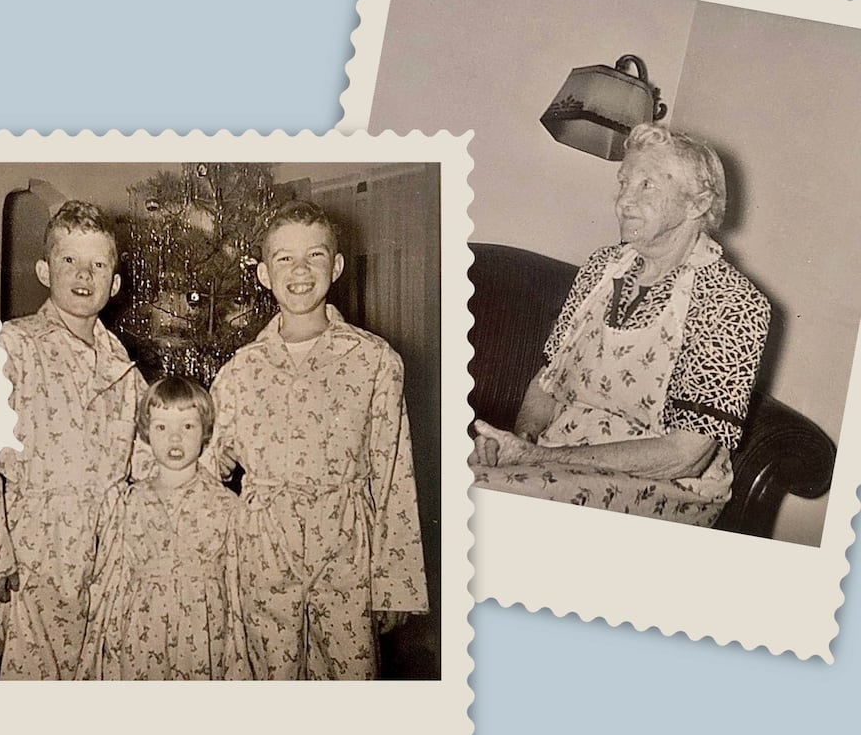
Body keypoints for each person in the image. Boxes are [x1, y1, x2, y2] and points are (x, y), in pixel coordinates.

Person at [471, 123, 770, 526]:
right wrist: (520, 440)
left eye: (647, 185)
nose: (624, 200)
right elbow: (548, 379)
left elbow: (685, 456)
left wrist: (541, 458)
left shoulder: (733, 302)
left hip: (666, 487)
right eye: (624, 182)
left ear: (696, 204)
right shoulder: (600, 267)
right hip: (558, 454)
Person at [207, 200, 428, 680]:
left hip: (347, 553)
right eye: (284, 258)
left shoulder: (374, 361)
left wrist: (396, 583)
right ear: (265, 273)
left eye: (315, 256)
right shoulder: (239, 371)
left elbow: (394, 474)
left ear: (337, 265)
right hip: (262, 555)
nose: (300, 270)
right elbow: (201, 467)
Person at [0, 200, 145, 680]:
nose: (83, 274)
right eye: (69, 261)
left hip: (112, 545)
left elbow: (145, 461)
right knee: (37, 676)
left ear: (114, 283)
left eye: (98, 264)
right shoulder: (13, 346)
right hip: (38, 545)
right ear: (44, 269)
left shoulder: (125, 368)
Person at [78, 376, 246, 680]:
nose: (175, 439)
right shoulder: (130, 503)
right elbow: (113, 581)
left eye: (187, 426)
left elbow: (237, 586)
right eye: (162, 427)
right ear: (145, 433)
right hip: (142, 634)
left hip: (204, 635)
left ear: (205, 432)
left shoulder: (226, 506)